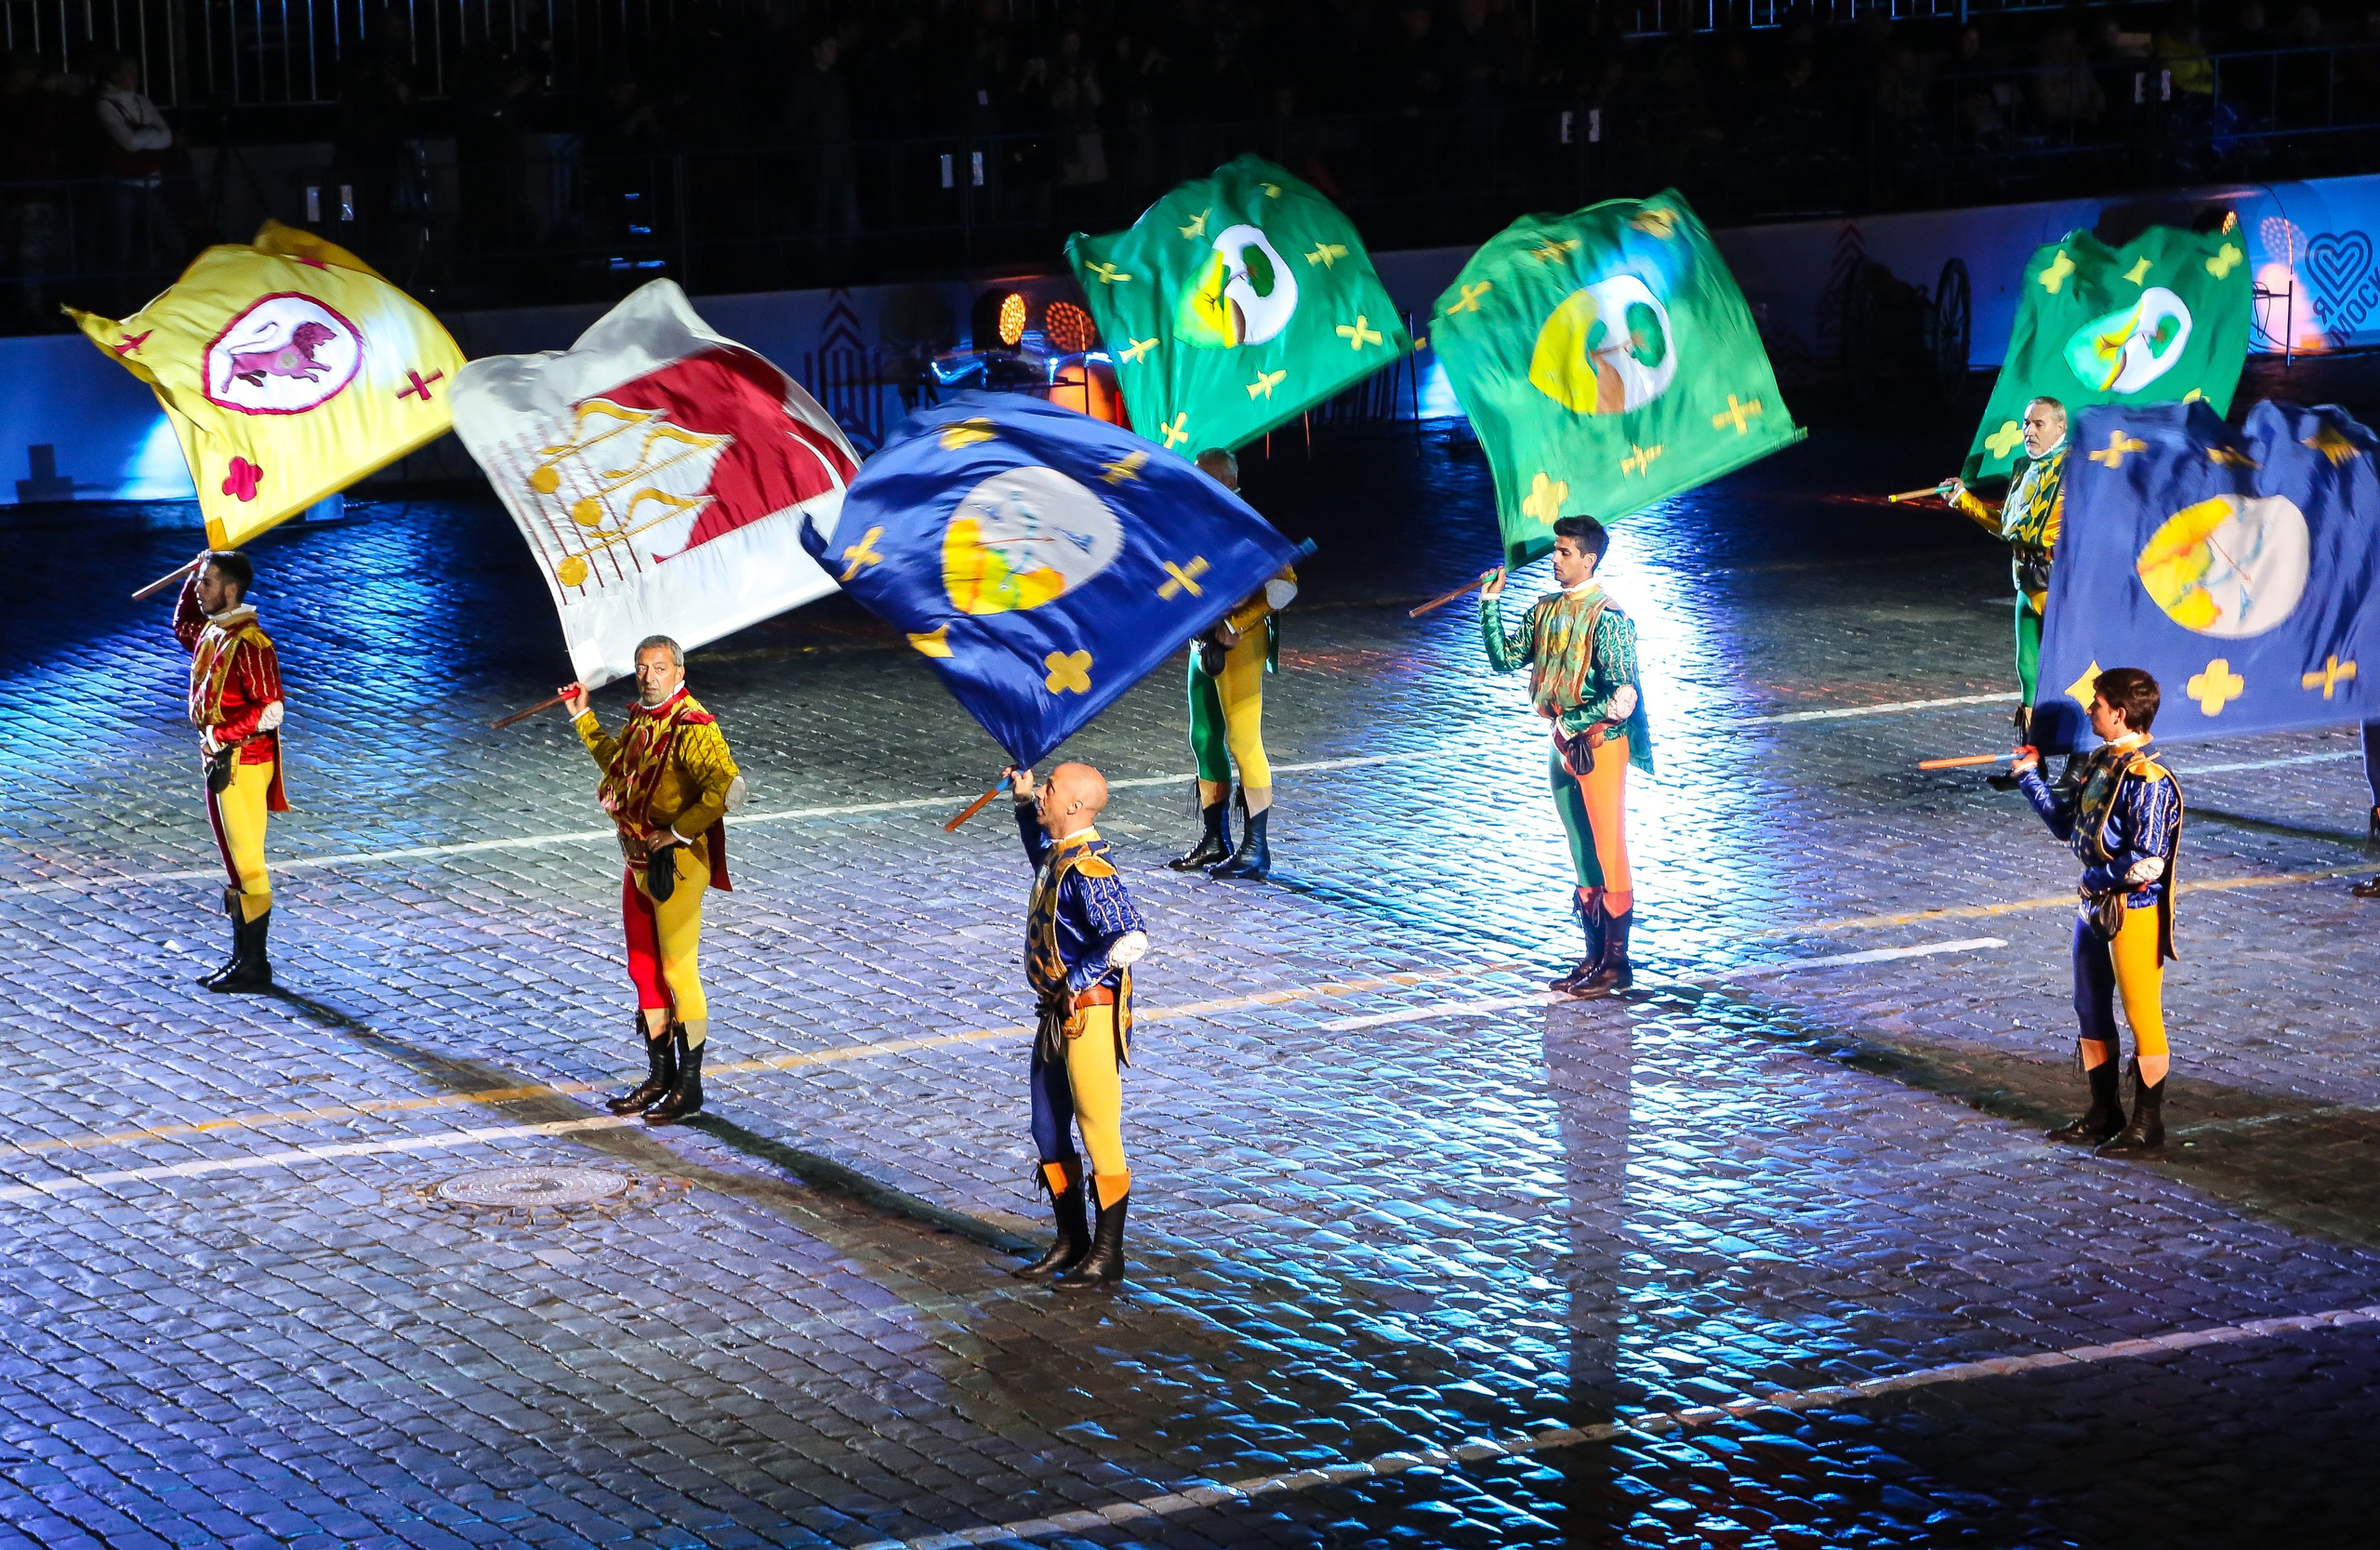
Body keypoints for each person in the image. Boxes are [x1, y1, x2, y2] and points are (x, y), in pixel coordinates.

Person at [559, 637, 743, 1125]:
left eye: (658, 668)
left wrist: (677, 833)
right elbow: (621, 771)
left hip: (676, 865)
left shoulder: (695, 726)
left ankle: (690, 1086)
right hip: (636, 861)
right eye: (642, 668)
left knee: (679, 971)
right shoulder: (644, 715)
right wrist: (584, 718)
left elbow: (727, 788)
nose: (647, 676)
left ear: (678, 671)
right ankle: (660, 1077)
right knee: (643, 970)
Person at [2013, 667, 2183, 1157]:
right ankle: (2104, 1111)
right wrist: (2030, 780)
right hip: (2095, 907)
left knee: (2141, 1014)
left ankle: (2148, 1123)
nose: (2090, 712)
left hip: (2134, 908)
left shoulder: (2148, 779)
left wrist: (2097, 879)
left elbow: (2148, 860)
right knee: (2089, 1005)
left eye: (2097, 705)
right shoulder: (2104, 763)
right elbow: (2072, 828)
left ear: (2120, 714)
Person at [1481, 513, 1653, 997]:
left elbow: (1624, 696)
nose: (1554, 559)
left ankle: (1617, 964)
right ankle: (1593, 956)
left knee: (1608, 849)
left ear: (1588, 558)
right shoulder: (1546, 610)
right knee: (1582, 852)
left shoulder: (1609, 617)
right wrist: (1490, 603)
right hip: (1561, 747)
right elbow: (1504, 659)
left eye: (1564, 552)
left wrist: (1573, 723)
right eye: (1555, 550)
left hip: (1597, 745)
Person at [1006, 761, 1148, 1292]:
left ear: (1071, 806)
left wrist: (1076, 979)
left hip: (1086, 1012)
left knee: (1097, 1129)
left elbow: (1130, 938)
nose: (1042, 790)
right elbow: (1042, 863)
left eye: (1048, 788)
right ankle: (1071, 1242)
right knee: (1048, 1128)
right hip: (1057, 1014)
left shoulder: (1091, 869)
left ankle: (1107, 1255)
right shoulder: (1060, 857)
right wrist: (1023, 803)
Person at [1170, 447, 1299, 881]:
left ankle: (1256, 848)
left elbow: (1285, 584)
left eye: (1203, 477)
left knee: (1243, 741)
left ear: (1226, 481)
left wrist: (1238, 624)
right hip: (1202, 640)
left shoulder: (1248, 524)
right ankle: (1215, 838)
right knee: (1204, 737)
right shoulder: (1194, 521)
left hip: (1238, 643)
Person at [174, 550, 288, 994]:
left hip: (241, 762)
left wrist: (222, 737)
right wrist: (190, 575)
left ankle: (254, 964)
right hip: (221, 760)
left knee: (247, 865)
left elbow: (271, 709)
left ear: (231, 590)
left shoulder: (250, 643)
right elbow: (183, 626)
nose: (200, 589)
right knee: (235, 865)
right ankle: (243, 958)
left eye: (206, 581)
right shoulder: (214, 631)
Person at [1939, 394, 2069, 774]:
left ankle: (2079, 764)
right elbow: (2009, 527)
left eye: (2038, 424)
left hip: (2058, 586)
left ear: (2060, 427)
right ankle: (2032, 761)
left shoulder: (2076, 469)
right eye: (2026, 423)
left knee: (2067, 674)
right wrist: (1965, 500)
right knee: (2027, 670)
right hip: (2026, 584)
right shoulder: (2023, 468)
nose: (2028, 430)